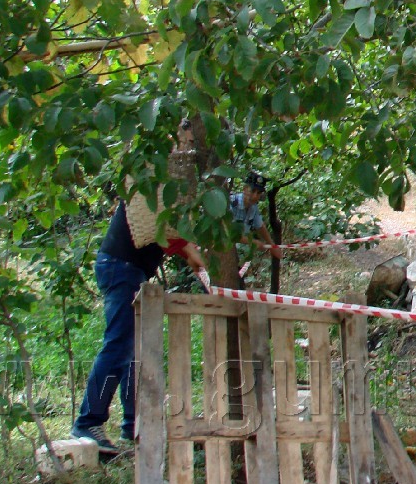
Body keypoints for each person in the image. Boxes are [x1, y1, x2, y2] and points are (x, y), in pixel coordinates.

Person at [73, 192, 205, 455]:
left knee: (133, 350)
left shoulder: (163, 204)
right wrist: (206, 267)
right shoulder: (154, 197)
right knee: (119, 346)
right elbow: (189, 251)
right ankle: (89, 422)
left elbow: (185, 250)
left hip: (128, 269)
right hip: (121, 267)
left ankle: (134, 424)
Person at [229, 172, 284, 260]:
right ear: (245, 189)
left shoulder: (253, 207)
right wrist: (253, 242)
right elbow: (229, 234)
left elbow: (260, 226)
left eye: (259, 193)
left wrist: (272, 246)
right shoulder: (231, 203)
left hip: (237, 254)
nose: (255, 196)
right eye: (252, 191)